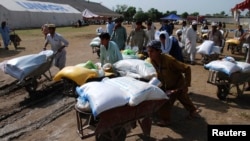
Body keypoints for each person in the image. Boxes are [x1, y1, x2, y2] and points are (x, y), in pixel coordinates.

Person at [146, 40, 200, 126]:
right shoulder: (149, 62)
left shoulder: (169, 60)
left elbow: (187, 68)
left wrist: (186, 85)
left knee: (182, 98)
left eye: (152, 51)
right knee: (165, 101)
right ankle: (168, 118)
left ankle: (167, 120)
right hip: (166, 85)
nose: (149, 53)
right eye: (148, 51)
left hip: (177, 84)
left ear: (159, 51)